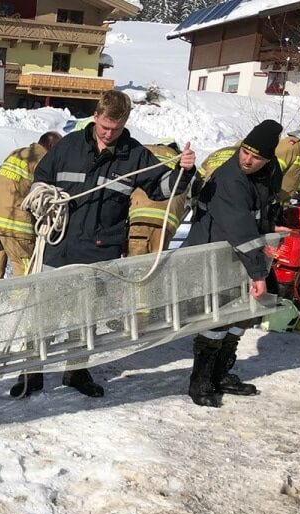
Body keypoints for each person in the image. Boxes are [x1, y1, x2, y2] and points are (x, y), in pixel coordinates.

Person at [11, 90, 196, 399]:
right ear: (95, 116)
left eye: (116, 129)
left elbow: (162, 188)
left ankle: (77, 370)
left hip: (100, 251)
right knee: (44, 313)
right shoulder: (68, 146)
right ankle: (32, 372)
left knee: (86, 316)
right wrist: (44, 198)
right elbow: (41, 178)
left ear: (125, 123)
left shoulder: (134, 154)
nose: (109, 134)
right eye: (105, 127)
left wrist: (185, 171)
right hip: (59, 247)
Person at [183, 119, 283, 408]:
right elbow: (240, 229)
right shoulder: (231, 179)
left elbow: (263, 210)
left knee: (240, 317)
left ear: (268, 159)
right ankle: (201, 381)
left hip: (240, 253)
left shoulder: (271, 171)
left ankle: (220, 374)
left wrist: (271, 230)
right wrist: (258, 273)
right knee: (217, 317)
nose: (247, 160)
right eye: (245, 151)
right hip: (213, 251)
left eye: (256, 157)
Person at [0, 131, 62, 281]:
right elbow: (45, 196)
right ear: (51, 146)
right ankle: (22, 298)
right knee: (25, 273)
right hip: (16, 225)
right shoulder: (44, 160)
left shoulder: (16, 154)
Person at [127, 138, 188, 256]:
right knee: (157, 261)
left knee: (135, 262)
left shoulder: (143, 153)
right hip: (166, 224)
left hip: (139, 218)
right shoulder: (181, 162)